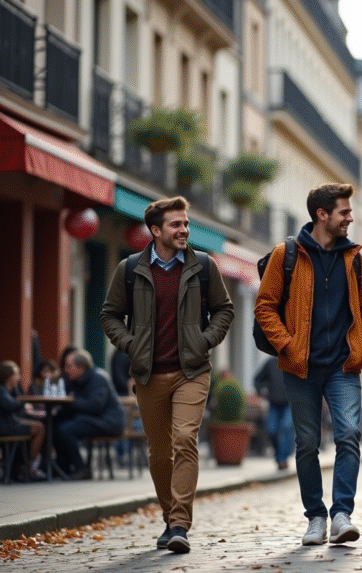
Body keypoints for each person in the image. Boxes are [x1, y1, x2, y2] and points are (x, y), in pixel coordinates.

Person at [101, 196, 234, 553]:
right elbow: (109, 315)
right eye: (176, 225)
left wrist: (205, 341)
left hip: (192, 370)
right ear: (156, 230)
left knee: (185, 439)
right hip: (148, 374)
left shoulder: (203, 266)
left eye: (186, 224)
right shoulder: (130, 269)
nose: (184, 230)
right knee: (160, 454)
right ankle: (169, 517)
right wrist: (131, 345)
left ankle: (179, 524)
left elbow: (224, 309)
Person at [254, 183, 362, 546]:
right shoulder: (286, 254)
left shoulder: (354, 258)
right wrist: (288, 345)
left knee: (349, 434)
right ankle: (315, 517)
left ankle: (342, 514)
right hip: (300, 366)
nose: (350, 218)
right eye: (344, 212)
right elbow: (264, 305)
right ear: (322, 214)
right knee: (307, 442)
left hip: (343, 365)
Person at [53, 350, 125, 479]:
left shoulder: (98, 378)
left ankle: (81, 468)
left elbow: (95, 406)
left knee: (65, 429)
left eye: (69, 366)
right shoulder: (73, 380)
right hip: (93, 419)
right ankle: (62, 466)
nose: (66, 370)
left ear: (81, 368)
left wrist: (71, 401)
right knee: (55, 422)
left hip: (109, 422)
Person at [0, 361, 46, 481]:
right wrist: (23, 403)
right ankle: (27, 464)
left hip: (11, 424)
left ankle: (23, 465)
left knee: (37, 425)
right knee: (39, 428)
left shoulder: (12, 389)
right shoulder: (2, 390)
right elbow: (10, 405)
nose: (19, 377)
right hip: (6, 427)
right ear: (8, 376)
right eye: (16, 374)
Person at [254, 356, 295, 470]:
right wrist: (261, 391)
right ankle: (279, 455)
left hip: (289, 404)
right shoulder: (270, 363)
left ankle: (282, 459)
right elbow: (257, 379)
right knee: (271, 430)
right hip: (274, 404)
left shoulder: (293, 360)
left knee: (287, 427)